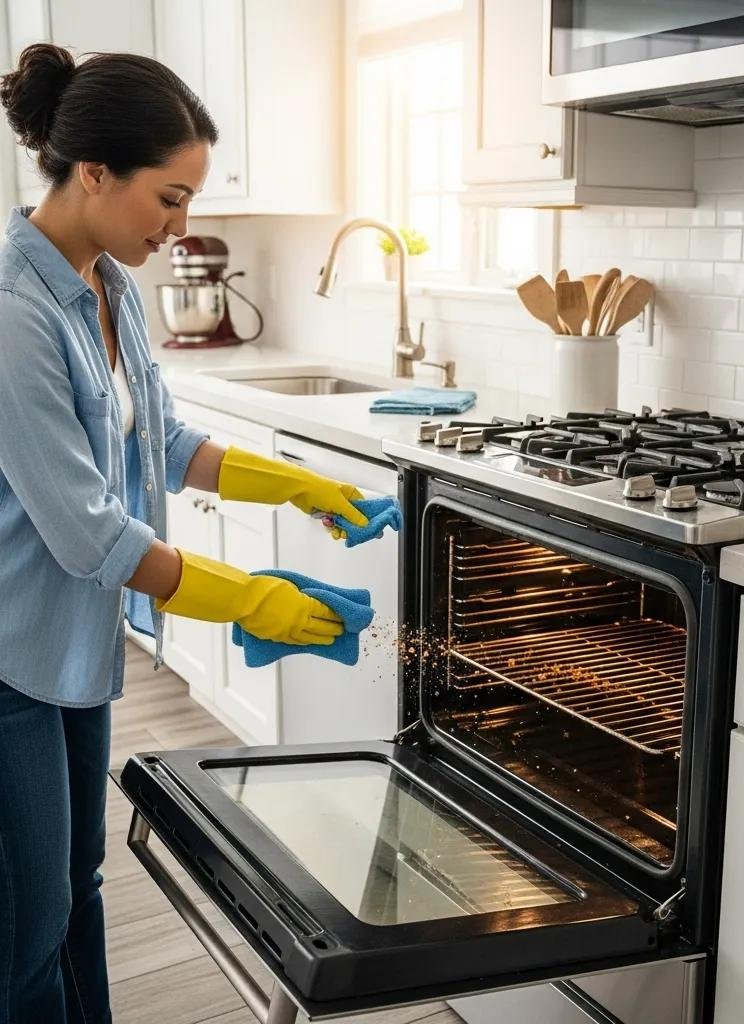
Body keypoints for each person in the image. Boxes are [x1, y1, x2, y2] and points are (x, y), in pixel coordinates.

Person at [0, 43, 374, 1024]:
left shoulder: (109, 284)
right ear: (93, 175)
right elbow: (89, 535)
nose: (182, 226)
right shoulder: (12, 313)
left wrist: (299, 487)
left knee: (79, 887)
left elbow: (159, 441)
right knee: (25, 932)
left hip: (74, 648)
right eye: (169, 199)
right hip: (7, 661)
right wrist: (251, 598)